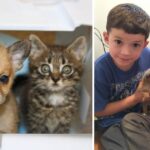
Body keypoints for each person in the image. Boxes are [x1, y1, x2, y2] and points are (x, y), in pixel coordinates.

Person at [95, 3, 150, 150]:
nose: (126, 52)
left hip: (139, 118)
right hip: (110, 123)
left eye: (135, 45)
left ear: (145, 44)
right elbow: (98, 111)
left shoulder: (147, 56)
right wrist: (135, 98)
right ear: (106, 38)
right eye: (118, 42)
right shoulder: (99, 70)